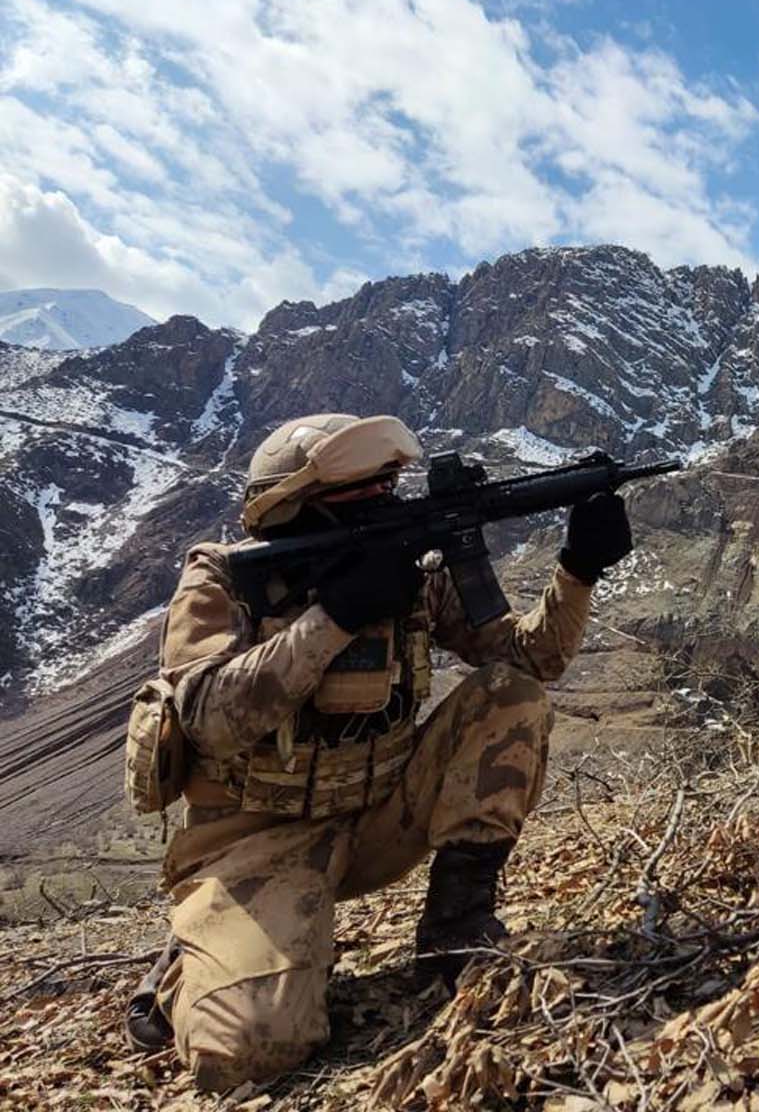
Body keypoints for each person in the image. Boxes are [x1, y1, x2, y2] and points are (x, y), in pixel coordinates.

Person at [123, 412, 632, 1092]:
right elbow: (210, 719)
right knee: (249, 1052)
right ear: (296, 505)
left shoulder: (413, 570)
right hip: (254, 843)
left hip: (379, 816)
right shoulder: (221, 578)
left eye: (390, 486)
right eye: (363, 494)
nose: (386, 503)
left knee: (508, 696)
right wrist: (334, 616)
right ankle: (192, 960)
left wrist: (578, 569)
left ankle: (457, 929)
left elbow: (529, 660)